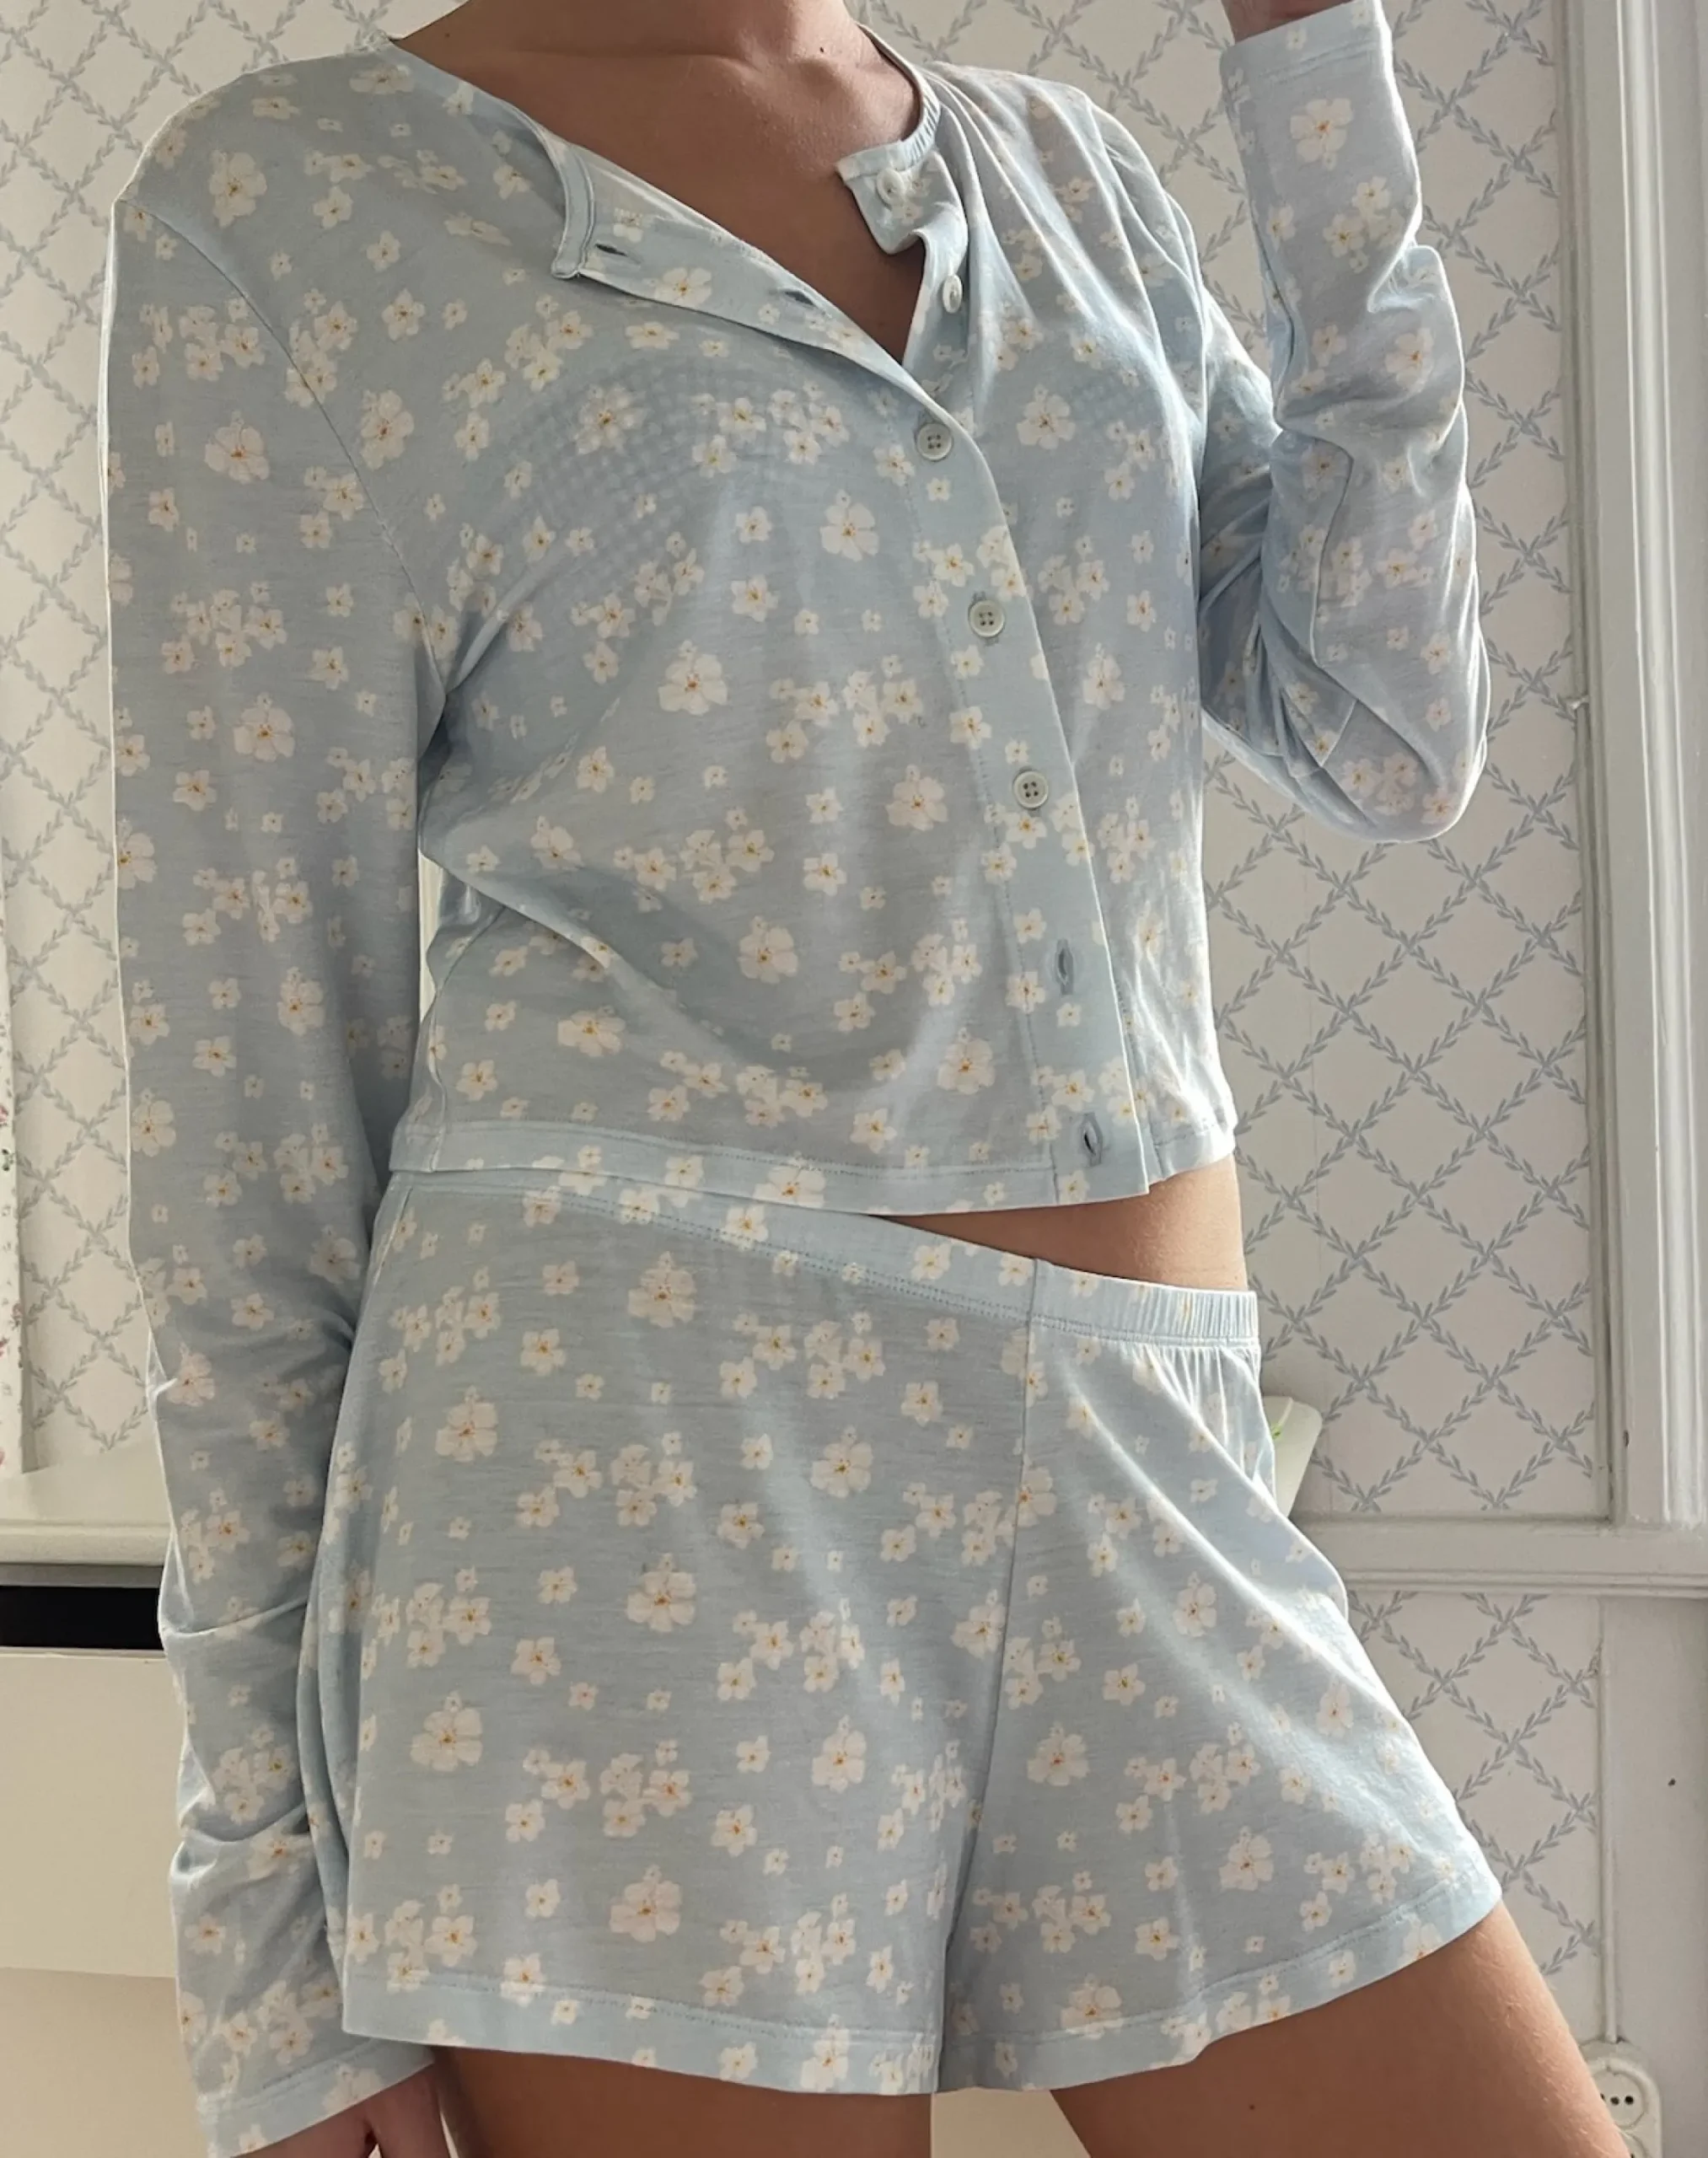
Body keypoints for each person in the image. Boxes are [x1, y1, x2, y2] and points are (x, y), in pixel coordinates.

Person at [95, 1, 1628, 2155]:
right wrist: (261, 1924)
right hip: (631, 1495)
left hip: (1139, 1446)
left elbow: (1382, 725)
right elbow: (248, 1104)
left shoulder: (1065, 177)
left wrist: (1307, 56)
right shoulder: (295, 202)